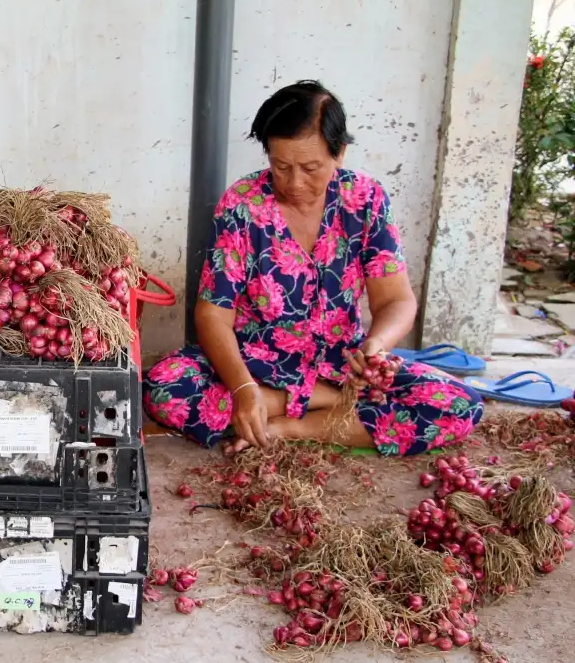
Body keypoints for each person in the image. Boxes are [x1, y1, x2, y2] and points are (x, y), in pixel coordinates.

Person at [143, 80, 484, 457]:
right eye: (280, 166)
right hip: (257, 363)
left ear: (340, 153)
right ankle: (324, 405)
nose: (294, 182)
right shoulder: (243, 204)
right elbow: (213, 314)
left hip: (341, 368)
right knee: (165, 387)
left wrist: (376, 346)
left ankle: (292, 424)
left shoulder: (365, 201)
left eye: (310, 167)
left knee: (459, 404)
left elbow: (397, 301)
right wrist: (242, 388)